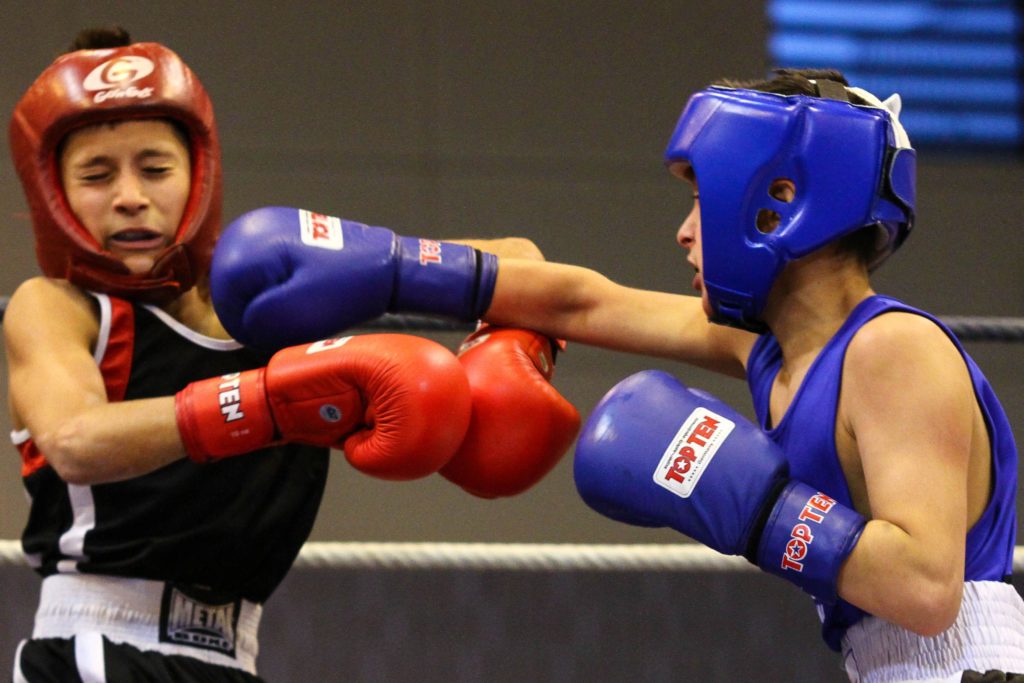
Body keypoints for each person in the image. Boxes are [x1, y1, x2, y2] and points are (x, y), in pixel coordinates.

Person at [210, 68, 1024, 681]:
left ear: (778, 200)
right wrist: (400, 268)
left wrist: (755, 501)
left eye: (701, 200)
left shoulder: (893, 351)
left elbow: (924, 586)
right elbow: (587, 302)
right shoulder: (772, 346)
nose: (682, 233)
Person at [4, 26, 578, 682]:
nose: (130, 194)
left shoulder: (282, 293)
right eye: (97, 174)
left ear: (200, 172)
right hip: (98, 647)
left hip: (231, 657)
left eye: (155, 167)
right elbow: (77, 439)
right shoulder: (60, 305)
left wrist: (519, 347)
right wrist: (274, 401)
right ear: (55, 194)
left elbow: (521, 262)